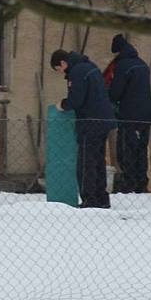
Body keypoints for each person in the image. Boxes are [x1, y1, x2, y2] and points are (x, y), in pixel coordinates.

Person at [51, 49, 116, 209]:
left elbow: (77, 99)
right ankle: (101, 198)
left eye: (59, 69)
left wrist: (63, 104)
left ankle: (90, 199)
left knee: (86, 162)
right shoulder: (89, 66)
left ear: (63, 63)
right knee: (98, 161)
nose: (61, 73)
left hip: (90, 122)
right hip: (104, 120)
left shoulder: (77, 72)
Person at [109, 34, 151, 193]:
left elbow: (115, 92)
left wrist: (108, 97)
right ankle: (142, 183)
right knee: (141, 150)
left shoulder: (123, 66)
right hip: (147, 115)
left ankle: (129, 184)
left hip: (130, 116)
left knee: (127, 151)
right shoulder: (142, 64)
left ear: (118, 52)